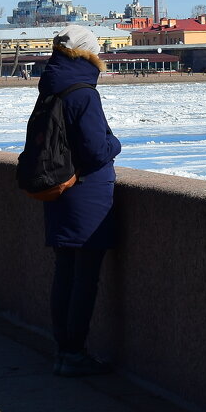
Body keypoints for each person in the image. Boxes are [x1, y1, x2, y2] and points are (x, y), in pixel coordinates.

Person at [36, 25, 121, 377]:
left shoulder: (51, 88)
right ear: (88, 52)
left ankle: (63, 351)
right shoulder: (84, 93)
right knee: (84, 278)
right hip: (87, 193)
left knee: (65, 274)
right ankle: (74, 354)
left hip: (59, 189)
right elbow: (96, 150)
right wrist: (115, 143)